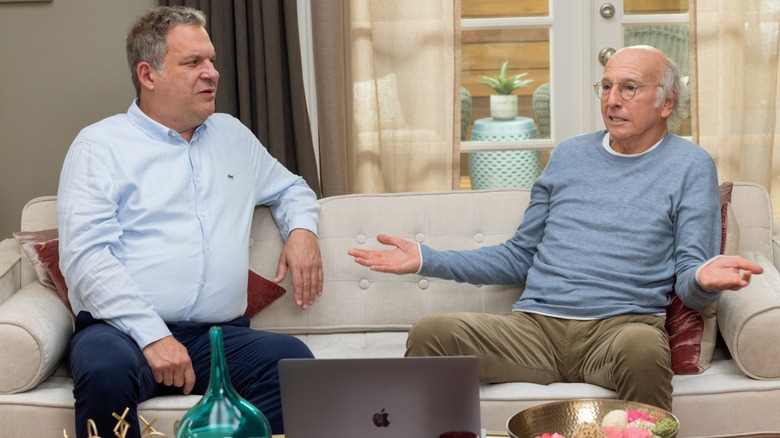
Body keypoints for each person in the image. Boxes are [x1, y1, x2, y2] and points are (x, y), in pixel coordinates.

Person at [348, 46, 764, 411]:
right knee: (431, 333)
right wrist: (425, 257)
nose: (612, 100)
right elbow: (518, 257)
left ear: (667, 102)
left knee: (644, 349)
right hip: (534, 328)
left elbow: (690, 282)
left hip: (622, 329)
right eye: (605, 87)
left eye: (629, 88)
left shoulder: (690, 166)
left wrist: (705, 278)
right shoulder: (570, 154)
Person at [57, 6, 322, 437]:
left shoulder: (232, 135)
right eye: (193, 62)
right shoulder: (99, 146)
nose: (212, 72)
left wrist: (302, 231)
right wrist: (151, 335)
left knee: (291, 363)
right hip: (121, 332)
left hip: (216, 337)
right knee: (104, 371)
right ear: (148, 74)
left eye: (212, 60)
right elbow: (87, 257)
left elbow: (292, 188)